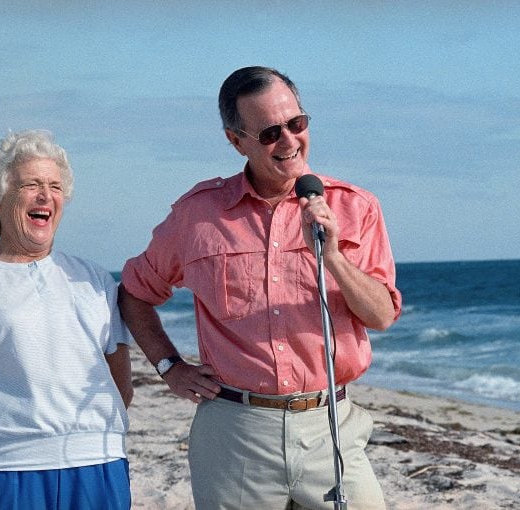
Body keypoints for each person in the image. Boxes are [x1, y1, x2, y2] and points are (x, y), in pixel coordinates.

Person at [118, 66, 402, 510]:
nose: (289, 141)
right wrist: (170, 366)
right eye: (270, 132)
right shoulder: (198, 215)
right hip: (235, 434)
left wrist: (332, 258)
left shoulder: (355, 206)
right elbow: (135, 292)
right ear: (236, 141)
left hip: (330, 426)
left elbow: (382, 315)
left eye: (297, 124)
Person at [0, 130, 133, 509]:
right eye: (30, 185)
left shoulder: (95, 280)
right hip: (2, 472)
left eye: (54, 186)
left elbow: (120, 379)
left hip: (97, 462)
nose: (45, 196)